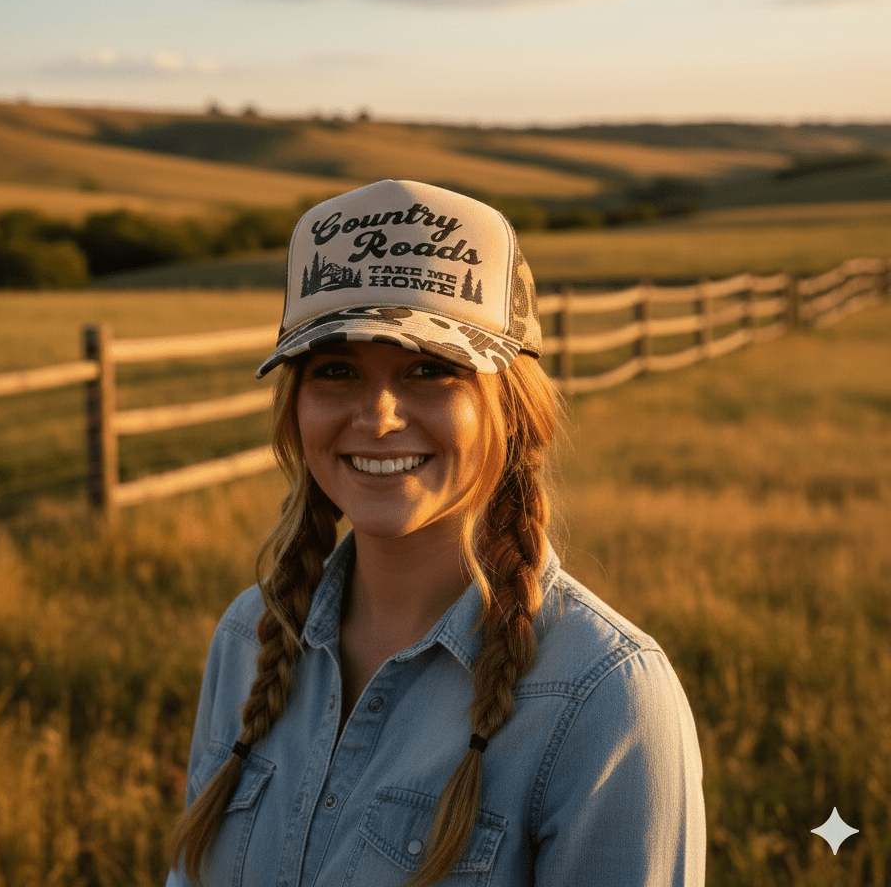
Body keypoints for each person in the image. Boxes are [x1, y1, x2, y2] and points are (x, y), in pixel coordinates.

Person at [167, 180, 706, 887]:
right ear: (294, 408)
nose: (378, 415)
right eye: (335, 370)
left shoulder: (604, 696)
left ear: (511, 410)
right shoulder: (249, 637)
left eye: (429, 370)